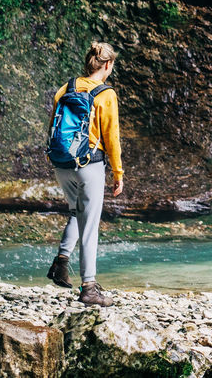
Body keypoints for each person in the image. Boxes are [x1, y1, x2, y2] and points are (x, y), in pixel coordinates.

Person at [46, 42, 124, 306]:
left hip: (61, 163)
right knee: (89, 225)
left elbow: (52, 126)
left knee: (75, 213)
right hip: (89, 164)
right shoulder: (106, 94)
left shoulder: (66, 88)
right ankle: (89, 287)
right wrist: (118, 172)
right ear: (107, 65)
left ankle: (61, 262)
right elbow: (111, 137)